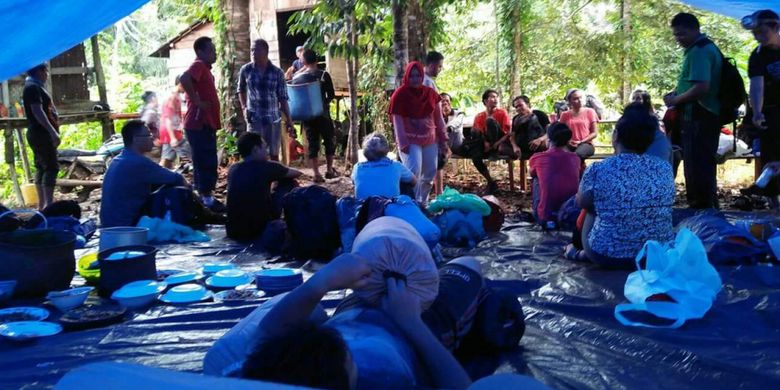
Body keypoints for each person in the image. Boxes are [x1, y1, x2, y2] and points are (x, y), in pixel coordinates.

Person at [565, 104, 675, 268]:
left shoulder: (597, 169)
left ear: (615, 136)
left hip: (606, 255)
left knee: (590, 205)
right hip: (656, 255)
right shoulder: (664, 167)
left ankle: (580, 252)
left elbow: (582, 203)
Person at [664, 12, 722, 209]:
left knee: (697, 169)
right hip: (700, 117)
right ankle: (707, 209)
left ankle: (701, 212)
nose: (679, 39)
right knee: (701, 166)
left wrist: (675, 100)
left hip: (699, 117)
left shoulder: (699, 51)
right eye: (675, 35)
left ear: (695, 30)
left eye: (682, 34)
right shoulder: (703, 48)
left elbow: (701, 87)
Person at [100, 120, 187, 227]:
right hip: (126, 225)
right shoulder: (137, 162)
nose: (152, 138)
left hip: (110, 223)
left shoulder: (119, 159)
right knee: (178, 191)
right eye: (148, 135)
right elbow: (177, 178)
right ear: (136, 139)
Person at [389, 62, 449, 205]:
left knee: (430, 172)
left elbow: (438, 118)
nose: (415, 79)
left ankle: (423, 202)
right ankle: (412, 203)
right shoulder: (400, 95)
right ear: (407, 76)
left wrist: (443, 139)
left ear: (422, 77)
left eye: (418, 76)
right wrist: (402, 143)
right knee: (413, 171)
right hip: (410, 140)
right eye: (412, 76)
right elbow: (397, 121)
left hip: (430, 139)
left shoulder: (430, 94)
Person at [226, 132, 302, 242]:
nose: (266, 151)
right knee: (289, 182)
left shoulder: (233, 169)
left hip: (233, 231)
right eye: (264, 148)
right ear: (256, 149)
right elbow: (297, 173)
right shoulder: (267, 167)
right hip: (260, 229)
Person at [180, 36, 223, 212]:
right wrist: (197, 101)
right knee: (206, 159)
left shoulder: (204, 69)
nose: (214, 54)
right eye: (211, 50)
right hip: (199, 122)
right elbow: (184, 78)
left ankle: (205, 197)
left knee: (205, 159)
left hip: (205, 122)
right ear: (200, 52)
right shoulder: (198, 65)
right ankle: (206, 198)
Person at [238, 39, 295, 161]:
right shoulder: (246, 70)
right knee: (254, 153)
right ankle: (256, 179)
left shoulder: (277, 72)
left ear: (266, 52)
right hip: (254, 118)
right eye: (252, 50)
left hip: (273, 118)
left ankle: (274, 178)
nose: (253, 53)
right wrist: (244, 107)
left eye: (257, 50)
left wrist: (289, 121)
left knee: (274, 153)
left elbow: (283, 98)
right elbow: (240, 89)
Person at [291, 49, 337, 182]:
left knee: (312, 144)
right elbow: (331, 95)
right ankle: (329, 170)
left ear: (303, 61)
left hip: (308, 116)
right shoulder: (323, 75)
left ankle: (316, 174)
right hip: (323, 115)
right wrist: (324, 104)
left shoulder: (297, 78)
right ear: (316, 60)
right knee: (328, 141)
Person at [22, 64, 60, 210]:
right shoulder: (32, 87)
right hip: (40, 133)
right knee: (51, 167)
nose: (47, 75)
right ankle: (47, 205)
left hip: (38, 133)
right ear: (39, 71)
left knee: (41, 167)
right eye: (45, 71)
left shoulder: (34, 86)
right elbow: (37, 111)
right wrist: (52, 131)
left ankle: (43, 205)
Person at [746, 10, 780, 175]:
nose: (758, 37)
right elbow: (757, 86)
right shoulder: (758, 56)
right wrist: (757, 112)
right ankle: (773, 200)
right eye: (755, 33)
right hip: (771, 114)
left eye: (762, 32)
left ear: (776, 27)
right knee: (770, 159)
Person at [528, 123, 580, 225]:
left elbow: (532, 173)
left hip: (546, 218)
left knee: (536, 178)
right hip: (570, 214)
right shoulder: (576, 158)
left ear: (549, 139)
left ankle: (542, 211)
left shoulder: (537, 157)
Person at [469, 89, 513, 194]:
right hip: (486, 144)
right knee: (475, 157)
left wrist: (496, 144)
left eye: (496, 97)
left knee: (490, 120)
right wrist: (485, 142)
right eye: (492, 97)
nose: (495, 99)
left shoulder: (502, 112)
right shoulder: (479, 116)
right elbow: (478, 132)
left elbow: (507, 133)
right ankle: (491, 182)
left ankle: (493, 152)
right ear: (485, 101)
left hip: (499, 141)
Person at [352, 132, 416, 200]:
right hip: (390, 206)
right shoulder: (396, 166)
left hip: (363, 208)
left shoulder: (357, 168)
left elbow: (354, 183)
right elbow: (413, 181)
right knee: (406, 183)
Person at [631, 90, 673, 166]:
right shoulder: (628, 120)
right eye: (633, 98)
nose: (635, 101)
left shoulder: (653, 120)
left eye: (638, 98)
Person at [159, 76, 190, 169]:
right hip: (171, 131)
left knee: (167, 158)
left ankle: (159, 178)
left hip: (170, 131)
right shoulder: (171, 97)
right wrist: (172, 137)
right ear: (181, 84)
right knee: (190, 153)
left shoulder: (176, 96)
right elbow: (168, 118)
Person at [558, 89, 599, 160]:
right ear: (569, 101)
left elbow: (594, 133)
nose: (579, 100)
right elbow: (561, 132)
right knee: (561, 156)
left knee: (576, 155)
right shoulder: (565, 115)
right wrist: (568, 141)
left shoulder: (590, 112)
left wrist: (581, 141)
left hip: (586, 144)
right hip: (569, 144)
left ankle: (579, 170)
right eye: (575, 99)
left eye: (581, 97)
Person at [510, 95, 547, 161]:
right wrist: (515, 146)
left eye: (520, 105)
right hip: (521, 146)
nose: (518, 108)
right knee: (502, 148)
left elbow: (550, 132)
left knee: (547, 144)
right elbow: (512, 136)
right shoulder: (515, 118)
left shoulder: (539, 114)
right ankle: (523, 154)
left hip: (537, 144)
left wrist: (540, 139)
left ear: (527, 104)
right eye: (516, 107)